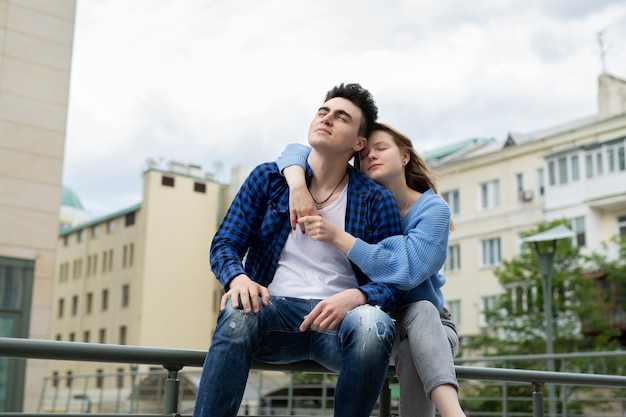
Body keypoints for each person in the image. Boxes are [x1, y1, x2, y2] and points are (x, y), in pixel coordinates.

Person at [193, 83, 407, 417]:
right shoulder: (269, 179)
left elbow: (394, 276)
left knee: (372, 323)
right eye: (323, 112)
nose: (327, 118)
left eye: (341, 117)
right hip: (271, 311)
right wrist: (238, 279)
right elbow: (226, 243)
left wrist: (358, 298)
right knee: (237, 310)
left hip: (340, 322)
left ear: (358, 143)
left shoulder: (375, 199)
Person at [276, 122, 466, 417]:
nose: (371, 157)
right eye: (364, 155)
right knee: (400, 338)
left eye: (382, 149)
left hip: (434, 330)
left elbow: (407, 271)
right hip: (374, 324)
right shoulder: (365, 204)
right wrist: (298, 185)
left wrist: (338, 237)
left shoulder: (433, 210)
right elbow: (294, 151)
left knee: (422, 312)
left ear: (405, 157)